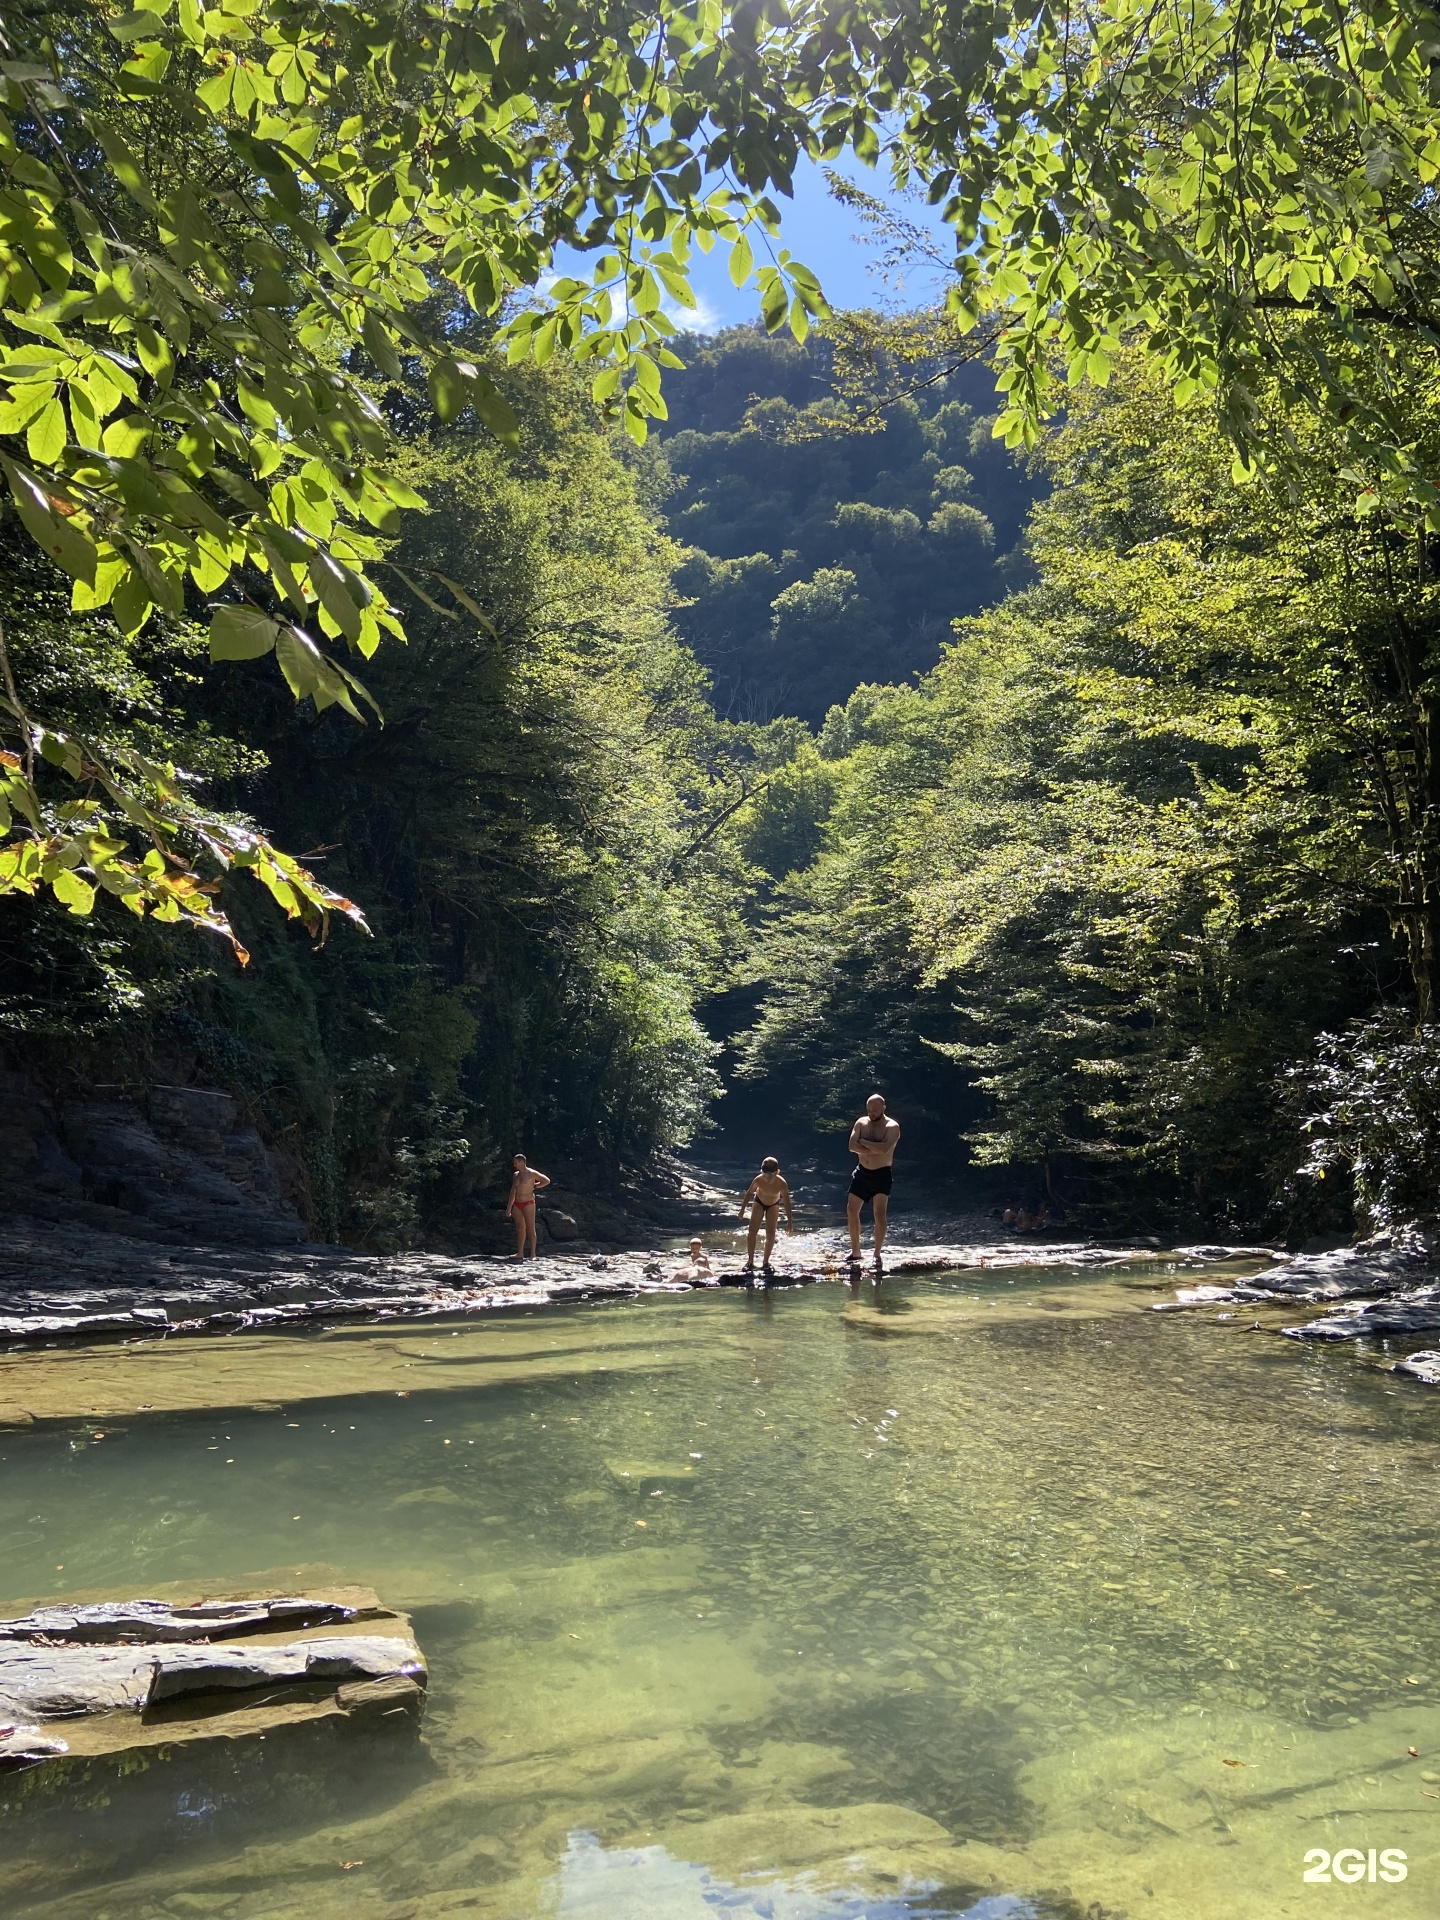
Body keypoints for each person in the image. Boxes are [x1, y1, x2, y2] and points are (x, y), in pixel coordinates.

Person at [847, 1094, 900, 1267]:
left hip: (882, 1174)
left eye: (875, 1110)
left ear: (883, 1108)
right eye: (869, 1110)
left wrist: (863, 1142)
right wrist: (872, 1148)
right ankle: (856, 1252)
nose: (871, 1113)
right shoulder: (861, 1123)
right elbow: (851, 1146)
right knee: (852, 1210)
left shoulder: (892, 1126)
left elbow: (884, 1149)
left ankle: (877, 1253)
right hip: (862, 1172)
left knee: (879, 1213)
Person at [739, 1157, 793, 1272]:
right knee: (752, 1231)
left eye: (770, 1176)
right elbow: (749, 1193)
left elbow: (787, 1202)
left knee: (771, 1232)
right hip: (759, 1202)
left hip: (773, 1204)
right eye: (765, 1175)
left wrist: (789, 1222)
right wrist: (742, 1209)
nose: (767, 1179)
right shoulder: (758, 1180)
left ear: (777, 1172)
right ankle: (750, 1261)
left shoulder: (781, 1183)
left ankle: (766, 1262)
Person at [504, 1153, 551, 1258]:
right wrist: (509, 1207)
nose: (514, 1165)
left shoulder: (531, 1173)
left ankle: (533, 1254)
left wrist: (537, 1185)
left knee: (530, 1228)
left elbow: (546, 1180)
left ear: (522, 1162)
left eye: (516, 1163)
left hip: (528, 1203)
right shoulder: (516, 1175)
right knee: (520, 1228)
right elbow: (513, 1191)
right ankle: (520, 1253)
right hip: (517, 1203)